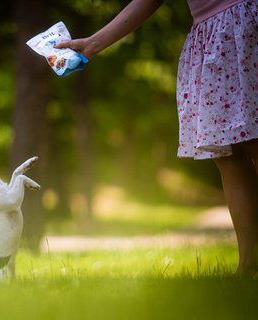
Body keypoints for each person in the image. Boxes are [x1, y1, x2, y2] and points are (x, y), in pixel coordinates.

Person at [55, 0, 258, 276]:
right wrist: (93, 44)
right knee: (228, 154)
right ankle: (250, 265)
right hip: (211, 36)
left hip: (246, 23)